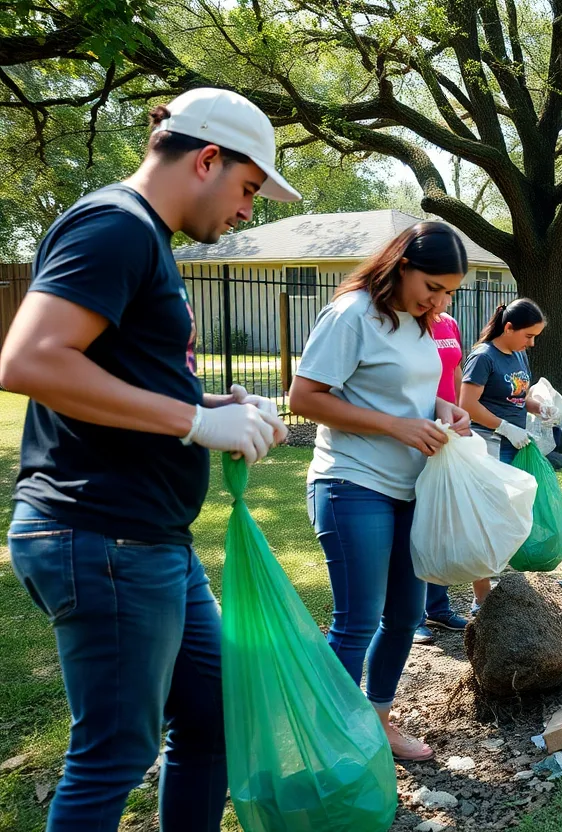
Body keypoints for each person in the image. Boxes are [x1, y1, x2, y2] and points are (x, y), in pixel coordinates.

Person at [0, 88, 293, 830]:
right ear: (206, 160)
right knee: (111, 757)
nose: (247, 211)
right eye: (249, 188)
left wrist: (215, 406)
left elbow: (121, 372)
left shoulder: (144, 238)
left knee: (212, 716)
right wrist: (192, 420)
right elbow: (31, 360)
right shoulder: (117, 226)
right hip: (103, 535)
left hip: (150, 539)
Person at [290, 222, 473, 763]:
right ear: (401, 264)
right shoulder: (352, 315)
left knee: (405, 617)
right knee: (358, 618)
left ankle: (377, 723)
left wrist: (443, 410)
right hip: (351, 483)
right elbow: (303, 396)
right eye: (433, 287)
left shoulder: (422, 325)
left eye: (448, 293)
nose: (438, 301)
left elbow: (411, 394)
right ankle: (329, 742)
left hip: (409, 487)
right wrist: (395, 427)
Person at [413, 295, 490, 643]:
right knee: (418, 518)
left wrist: (461, 414)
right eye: (441, 288)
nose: (449, 296)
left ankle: (437, 607)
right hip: (417, 428)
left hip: (447, 428)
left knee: (443, 518)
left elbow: (456, 370)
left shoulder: (450, 323)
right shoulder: (410, 325)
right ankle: (411, 614)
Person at [460, 299, 555, 464]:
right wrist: (505, 427)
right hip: (489, 444)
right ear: (508, 328)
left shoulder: (519, 354)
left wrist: (540, 408)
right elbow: (467, 404)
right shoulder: (483, 357)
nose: (531, 343)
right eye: (528, 336)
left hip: (517, 443)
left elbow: (518, 398)